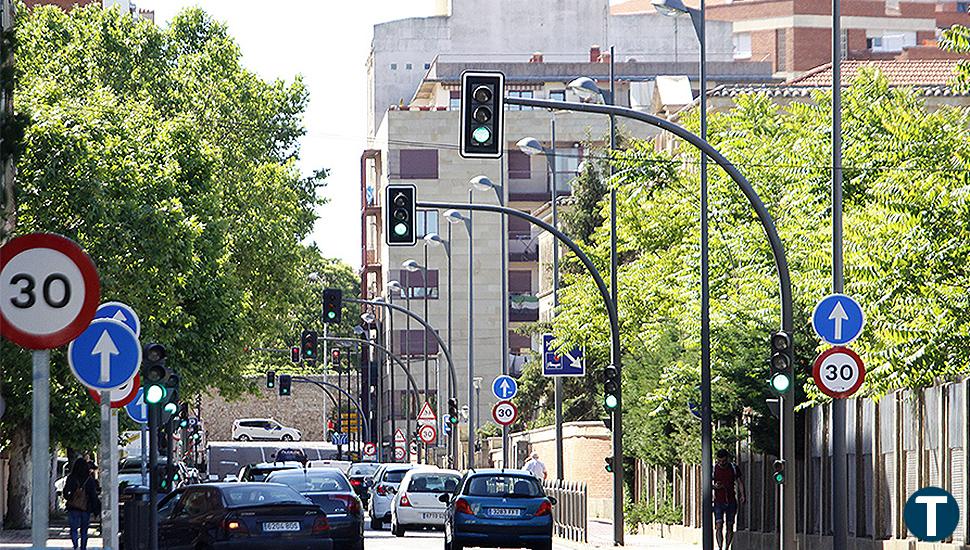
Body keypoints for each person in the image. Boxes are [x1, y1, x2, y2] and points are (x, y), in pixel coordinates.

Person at [63, 458, 101, 550]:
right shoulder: (89, 480)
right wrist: (96, 509)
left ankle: (75, 545)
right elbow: (93, 495)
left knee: (73, 529)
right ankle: (83, 547)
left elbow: (65, 491)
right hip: (85, 508)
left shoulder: (71, 478)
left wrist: (70, 497)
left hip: (73, 507)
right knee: (84, 530)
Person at [712, 449, 745, 550]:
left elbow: (739, 482)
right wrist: (715, 486)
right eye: (720, 461)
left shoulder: (734, 468)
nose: (722, 463)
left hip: (731, 501)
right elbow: (708, 484)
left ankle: (727, 547)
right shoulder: (714, 469)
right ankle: (720, 547)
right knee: (719, 525)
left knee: (730, 526)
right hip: (718, 501)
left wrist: (743, 495)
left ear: (727, 459)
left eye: (724, 461)